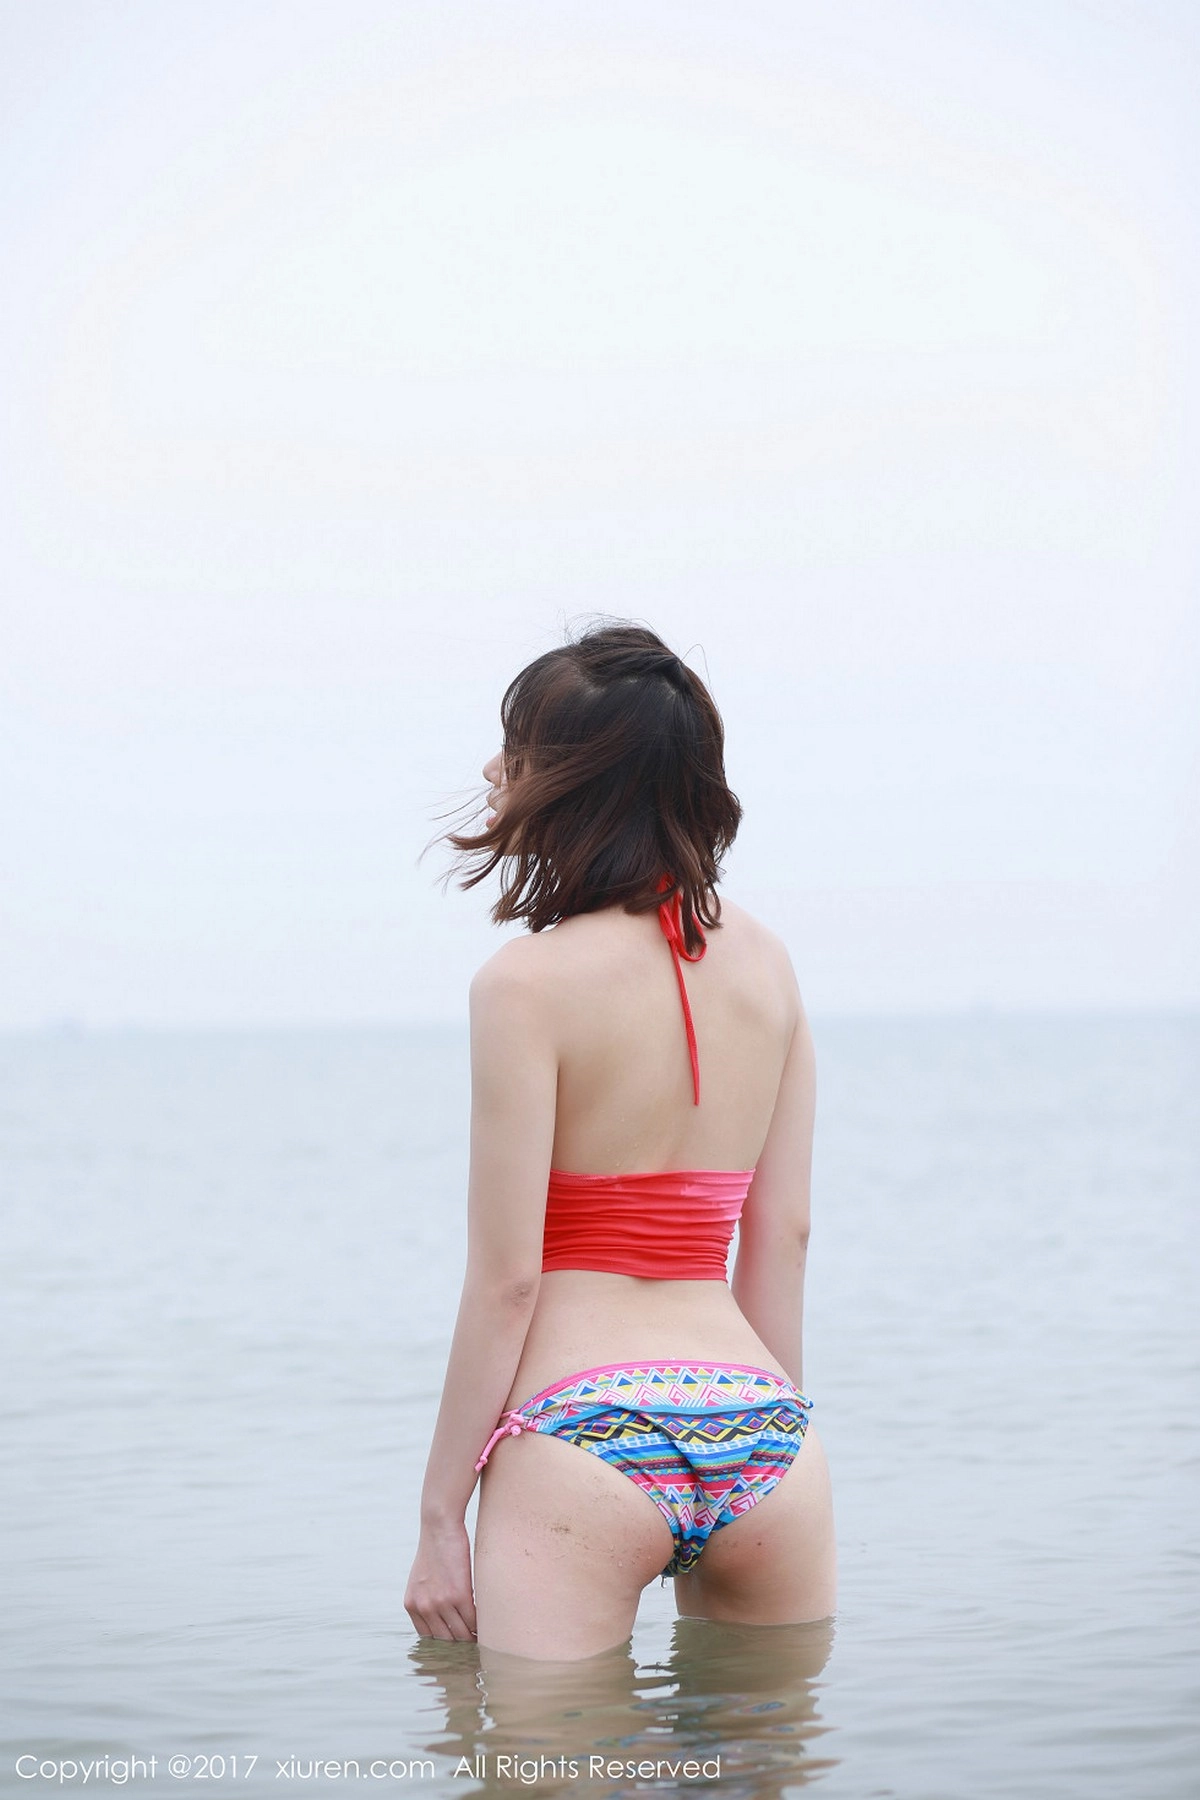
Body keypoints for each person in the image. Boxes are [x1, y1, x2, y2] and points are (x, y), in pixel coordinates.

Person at [404, 622, 836, 1662]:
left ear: (576, 779)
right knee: (759, 1744)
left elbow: (508, 1281)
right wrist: (750, 1442)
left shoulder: (524, 985)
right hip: (763, 1428)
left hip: (587, 1431)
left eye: (515, 746)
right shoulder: (771, 966)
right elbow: (782, 1235)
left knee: (539, 1750)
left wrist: (439, 1518)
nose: (493, 770)